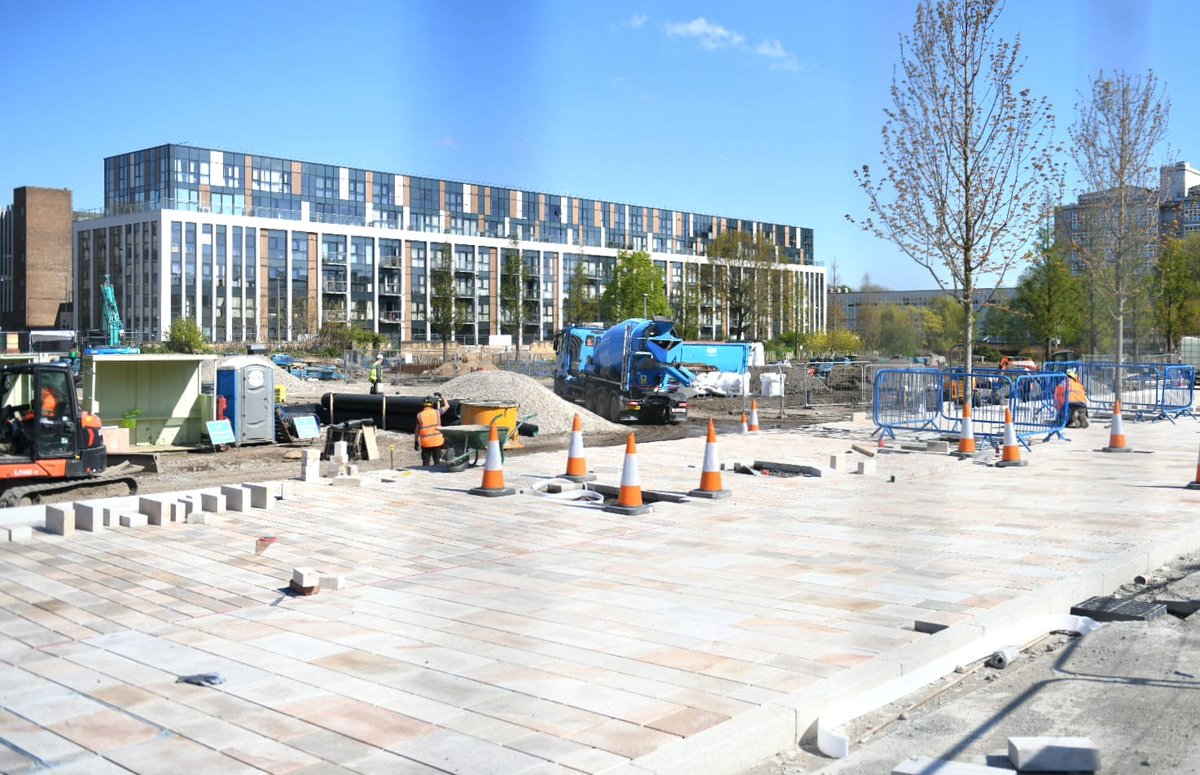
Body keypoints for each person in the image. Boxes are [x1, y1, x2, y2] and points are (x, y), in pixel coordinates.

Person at [413, 393, 449, 466]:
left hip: (425, 443)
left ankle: (425, 475)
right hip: (437, 442)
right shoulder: (437, 412)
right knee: (437, 463)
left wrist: (416, 441)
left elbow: (417, 430)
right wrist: (441, 396)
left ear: (423, 405)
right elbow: (447, 406)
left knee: (426, 463)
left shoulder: (419, 415)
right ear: (432, 404)